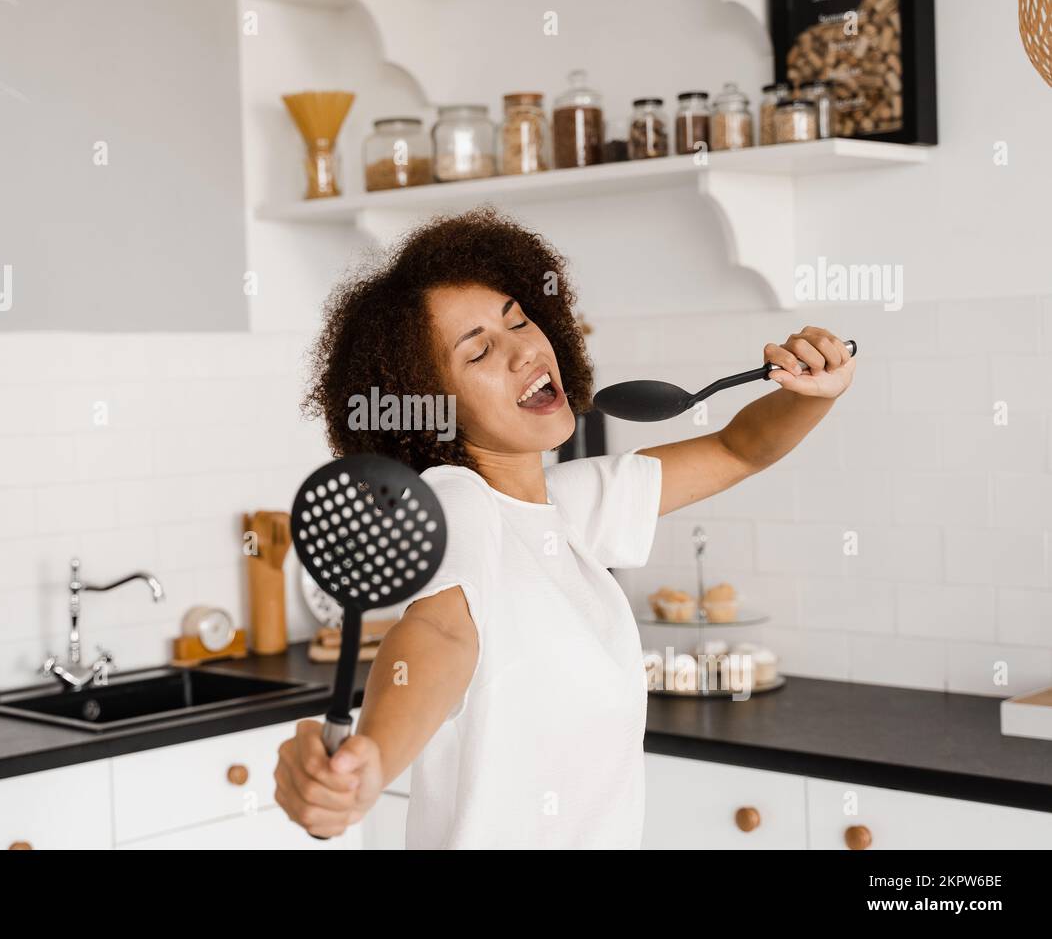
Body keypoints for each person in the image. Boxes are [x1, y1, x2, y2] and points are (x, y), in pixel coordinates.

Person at [275, 207, 855, 848]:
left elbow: (740, 449)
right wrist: (374, 758)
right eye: (480, 351)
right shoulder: (455, 499)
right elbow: (440, 632)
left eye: (519, 320)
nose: (525, 349)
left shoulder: (567, 508)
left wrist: (814, 392)